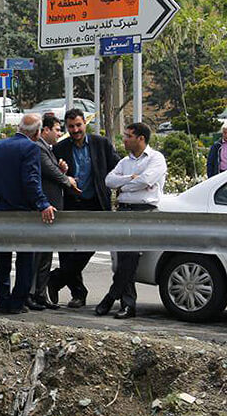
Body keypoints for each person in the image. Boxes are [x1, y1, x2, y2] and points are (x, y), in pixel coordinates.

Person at [0, 114, 56, 314]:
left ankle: (2, 299)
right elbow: (31, 180)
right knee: (25, 258)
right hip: (22, 212)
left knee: (2, 256)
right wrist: (43, 204)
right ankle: (17, 301)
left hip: (1, 210)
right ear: (38, 132)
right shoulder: (31, 148)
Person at [48, 108, 119, 308]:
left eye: (78, 125)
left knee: (90, 245)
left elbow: (117, 166)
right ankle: (78, 293)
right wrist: (61, 172)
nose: (76, 130)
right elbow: (53, 176)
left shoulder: (101, 144)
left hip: (96, 203)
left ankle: (56, 278)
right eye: (71, 127)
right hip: (71, 204)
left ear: (84, 124)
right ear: (66, 128)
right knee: (67, 250)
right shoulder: (60, 149)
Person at [95, 122, 167, 320]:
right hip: (124, 211)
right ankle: (127, 304)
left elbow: (146, 181)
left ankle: (112, 297)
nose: (124, 139)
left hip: (144, 212)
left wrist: (124, 187)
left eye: (128, 136)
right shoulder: (125, 162)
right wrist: (130, 178)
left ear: (140, 139)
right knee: (124, 258)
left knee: (131, 256)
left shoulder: (156, 159)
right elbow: (109, 181)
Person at [30, 114, 78, 309]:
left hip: (51, 210)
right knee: (38, 255)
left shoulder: (47, 149)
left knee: (46, 255)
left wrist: (62, 171)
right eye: (58, 129)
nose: (60, 133)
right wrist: (68, 180)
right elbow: (50, 171)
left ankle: (41, 294)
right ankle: (32, 293)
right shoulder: (39, 148)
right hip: (43, 210)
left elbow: (53, 171)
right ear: (45, 130)